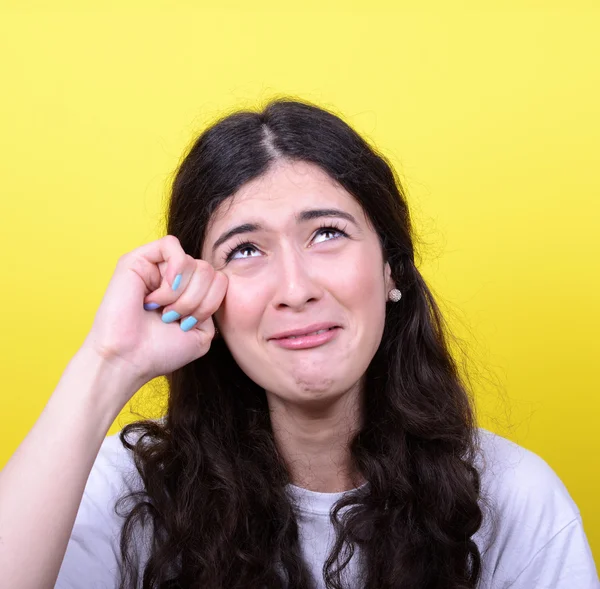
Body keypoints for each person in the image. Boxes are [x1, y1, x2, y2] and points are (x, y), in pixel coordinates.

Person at [0, 99, 597, 589]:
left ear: (392, 269)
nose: (295, 288)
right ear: (200, 289)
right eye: (246, 250)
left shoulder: (512, 501)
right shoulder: (121, 495)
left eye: (327, 234)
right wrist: (108, 363)